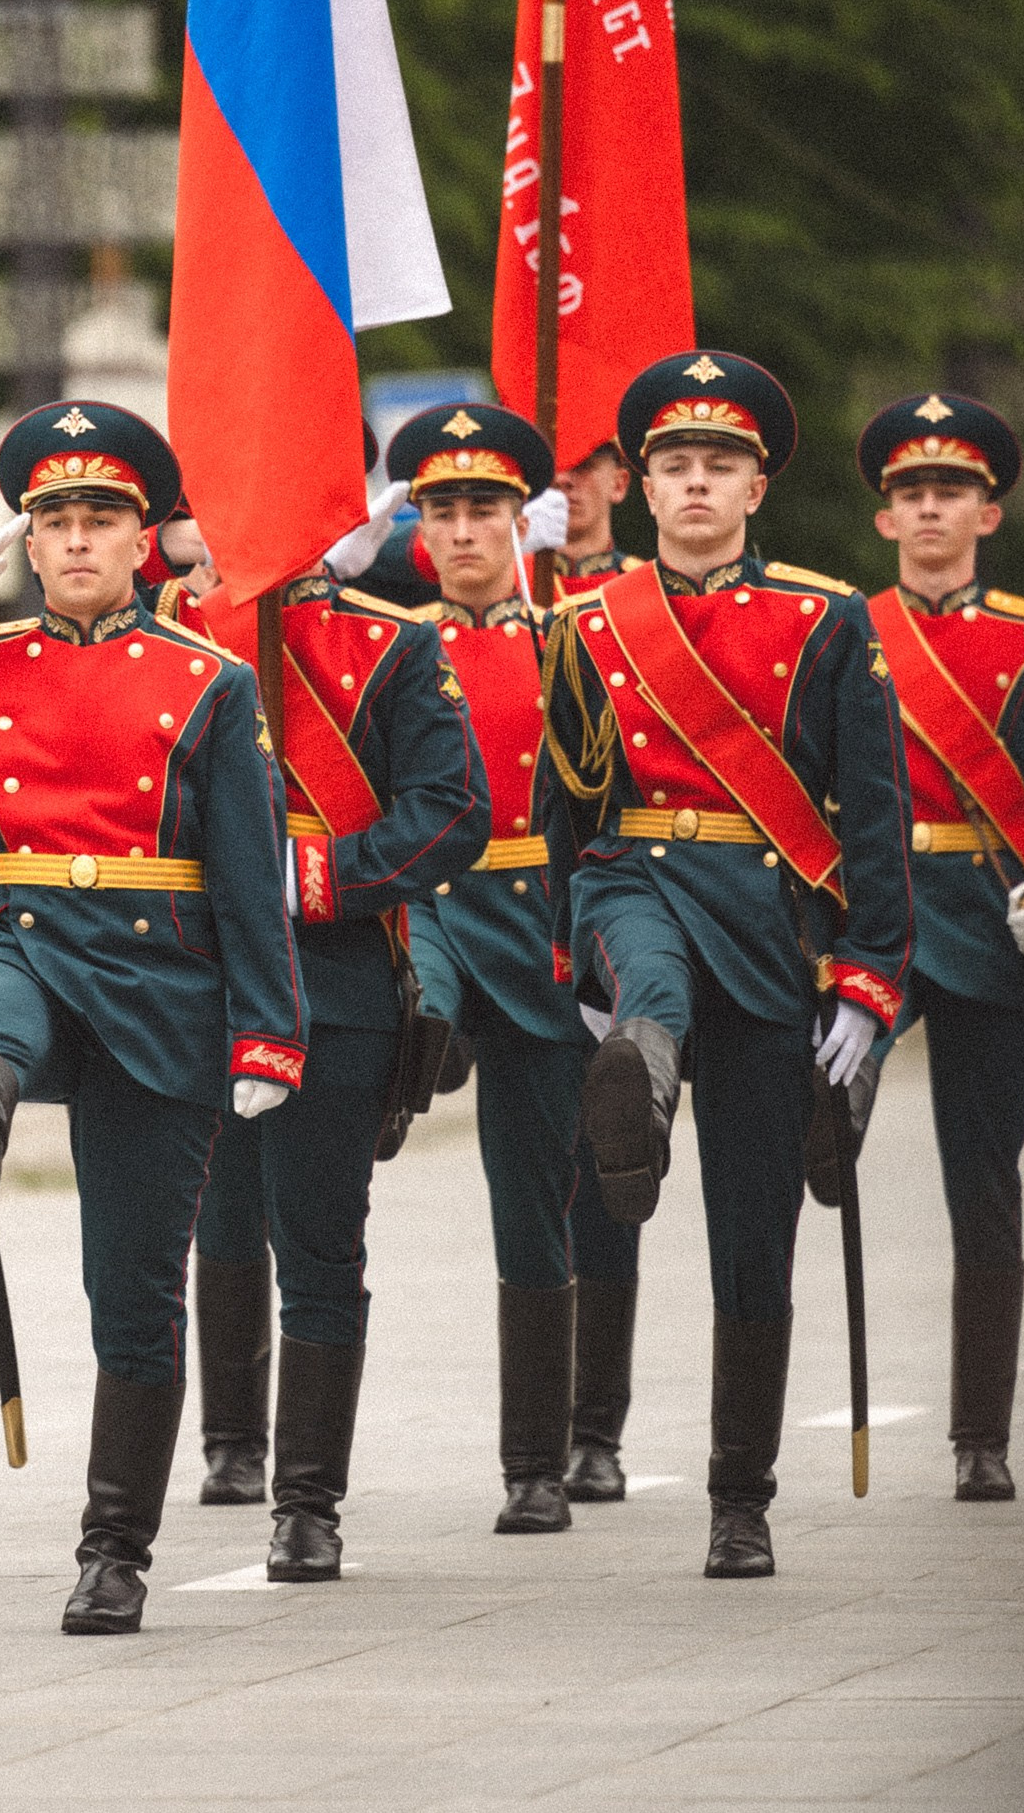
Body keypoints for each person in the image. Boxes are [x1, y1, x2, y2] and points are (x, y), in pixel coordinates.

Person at [0, 398, 307, 1637]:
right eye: (54, 521)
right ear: (26, 539)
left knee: (130, 1290)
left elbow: (249, 871)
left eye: (100, 519)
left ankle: (114, 1550)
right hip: (10, 931)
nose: (75, 539)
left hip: (154, 975)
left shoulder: (210, 680)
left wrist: (269, 1029)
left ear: (143, 539)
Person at [543, 349, 913, 1579]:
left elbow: (873, 811)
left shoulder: (825, 617)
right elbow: (561, 802)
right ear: (642, 487)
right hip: (631, 872)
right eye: (673, 463)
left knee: (754, 1238)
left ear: (755, 488)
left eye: (718, 464)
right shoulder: (585, 621)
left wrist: (868, 978)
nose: (695, 482)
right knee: (646, 984)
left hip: (764, 920)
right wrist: (570, 955)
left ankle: (737, 1500)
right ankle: (636, 1081)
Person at [165, 450, 490, 1576]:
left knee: (317, 1240)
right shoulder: (168, 635)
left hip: (333, 982)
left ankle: (306, 1501)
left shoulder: (390, 644)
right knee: (209, 1221)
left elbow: (448, 813)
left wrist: (312, 875)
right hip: (193, 980)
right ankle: (224, 1441)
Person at [855, 392, 1024, 1498]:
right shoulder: (846, 632)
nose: (929, 508)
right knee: (804, 1113)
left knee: (983, 1184)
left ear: (988, 512)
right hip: (873, 920)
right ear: (883, 517)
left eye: (950, 491)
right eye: (910, 492)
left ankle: (980, 1436)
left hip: (985, 923)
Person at [381, 399, 646, 1531]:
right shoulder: (389, 645)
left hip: (538, 925)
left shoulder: (567, 644)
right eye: (440, 510)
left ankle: (548, 1458)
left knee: (542, 1198)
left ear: (519, 520)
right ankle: (414, 1053)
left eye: (481, 508)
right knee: (416, 1007)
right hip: (426, 906)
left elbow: (604, 805)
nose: (460, 531)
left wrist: (600, 952)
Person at [552, 438, 645, 602]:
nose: (562, 479)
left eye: (582, 466)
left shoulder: (645, 589)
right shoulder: (511, 584)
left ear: (619, 485)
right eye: (552, 467)